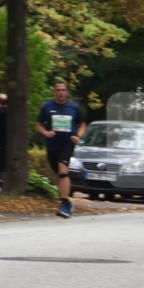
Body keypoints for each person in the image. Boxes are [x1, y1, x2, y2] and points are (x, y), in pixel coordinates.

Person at [34, 79, 85, 219]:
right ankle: (66, 200)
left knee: (62, 168)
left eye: (63, 90)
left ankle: (65, 204)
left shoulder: (73, 108)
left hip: (67, 143)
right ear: (54, 92)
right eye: (58, 90)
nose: (61, 93)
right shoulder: (47, 107)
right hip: (52, 145)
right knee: (60, 173)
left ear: (67, 92)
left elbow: (82, 124)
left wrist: (78, 136)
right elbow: (38, 124)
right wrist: (46, 133)